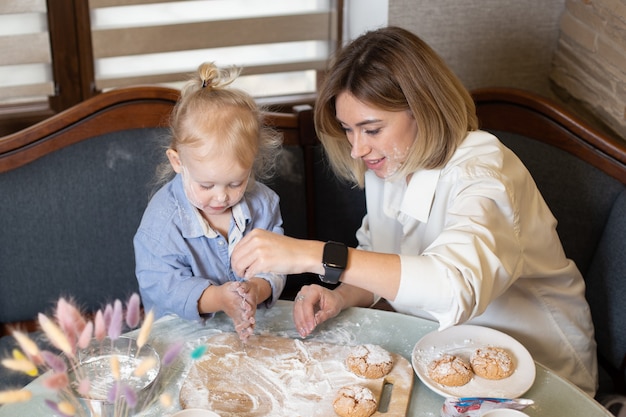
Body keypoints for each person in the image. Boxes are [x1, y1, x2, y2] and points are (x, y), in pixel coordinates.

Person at [231, 26, 598, 395]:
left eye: (371, 129)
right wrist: (341, 296)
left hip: (540, 368)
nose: (357, 149)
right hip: (447, 357)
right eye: (348, 129)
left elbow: (454, 286)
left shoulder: (485, 174)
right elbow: (380, 260)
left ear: (423, 109)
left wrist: (313, 254)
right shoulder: (388, 165)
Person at [134, 62, 286, 341]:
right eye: (206, 185)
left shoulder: (263, 203)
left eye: (235, 183)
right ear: (178, 162)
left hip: (250, 330)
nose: (221, 197)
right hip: (180, 337)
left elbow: (275, 263)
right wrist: (217, 297)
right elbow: (162, 285)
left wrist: (256, 289)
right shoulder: (163, 220)